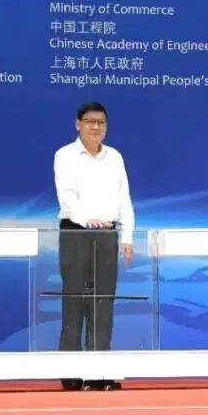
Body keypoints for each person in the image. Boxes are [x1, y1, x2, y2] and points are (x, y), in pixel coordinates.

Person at [53, 101, 135, 391]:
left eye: (101, 122)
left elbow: (124, 199)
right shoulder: (65, 155)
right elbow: (67, 197)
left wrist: (127, 237)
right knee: (74, 302)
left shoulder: (115, 157)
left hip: (107, 236)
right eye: (90, 122)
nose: (96, 127)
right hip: (76, 234)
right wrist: (88, 220)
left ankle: (99, 371)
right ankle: (72, 372)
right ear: (78, 124)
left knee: (103, 303)